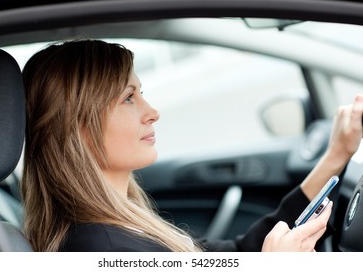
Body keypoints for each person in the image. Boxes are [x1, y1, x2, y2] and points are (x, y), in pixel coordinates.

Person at [20, 39, 363, 252]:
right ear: (78, 128)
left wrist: (337, 153)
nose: (152, 113)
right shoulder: (101, 247)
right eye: (128, 98)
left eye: (142, 93)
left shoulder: (121, 229)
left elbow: (242, 251)